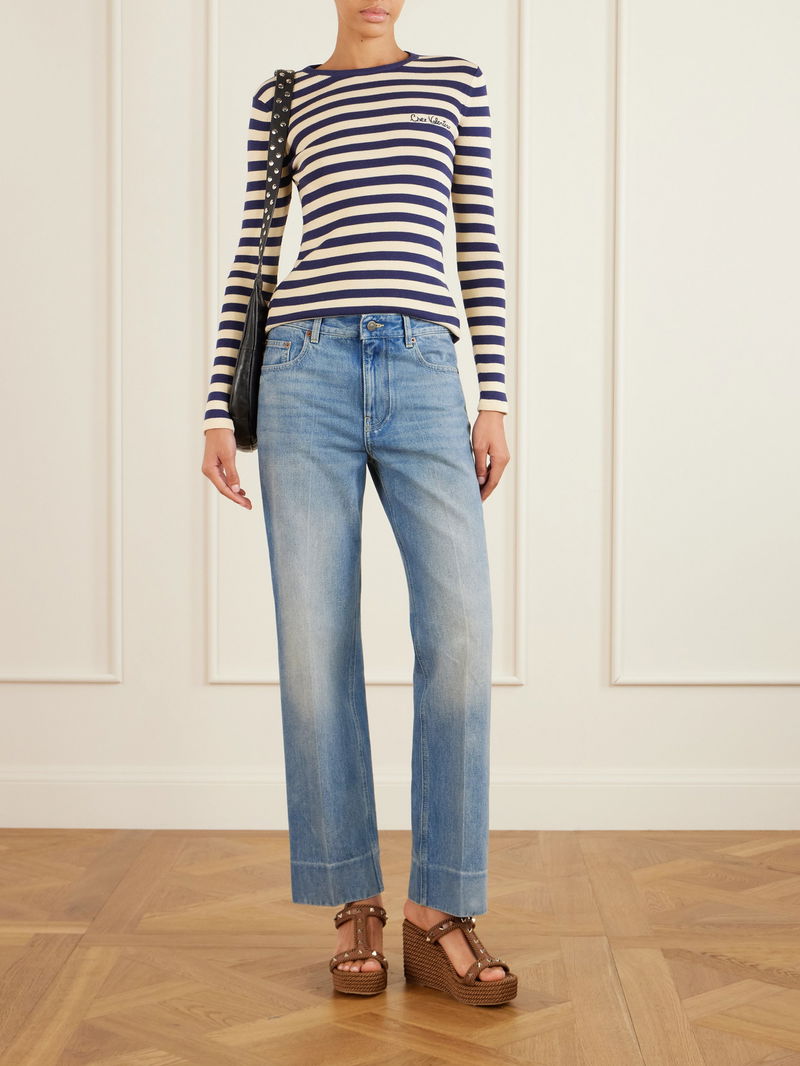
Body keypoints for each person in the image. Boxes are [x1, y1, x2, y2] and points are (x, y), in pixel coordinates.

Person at [201, 0, 516, 1005]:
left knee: (459, 630)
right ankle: (354, 902)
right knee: (314, 643)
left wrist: (494, 395)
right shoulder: (286, 97)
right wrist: (217, 407)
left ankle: (438, 909)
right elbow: (255, 256)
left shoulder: (453, 82)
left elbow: (476, 243)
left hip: (423, 367)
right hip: (303, 369)